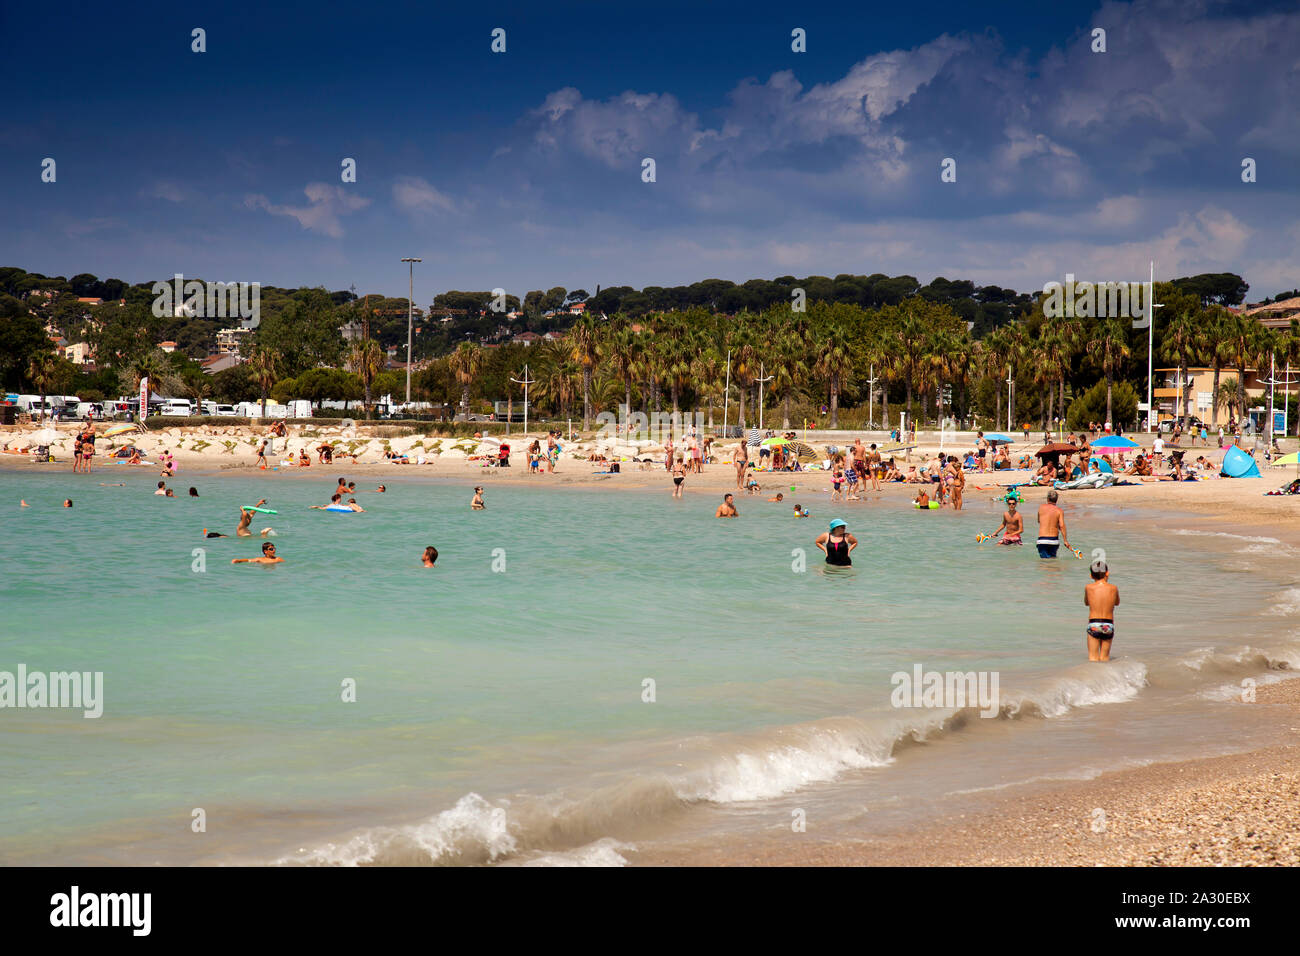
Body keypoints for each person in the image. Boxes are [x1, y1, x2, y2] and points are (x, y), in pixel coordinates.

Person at [1084, 559, 1119, 662]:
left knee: (1093, 659)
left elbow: (1087, 603)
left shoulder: (1089, 587)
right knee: (1105, 659)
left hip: (1094, 624)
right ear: (1107, 573)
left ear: (1091, 575)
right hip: (1108, 625)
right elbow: (1117, 602)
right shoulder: (1114, 588)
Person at [1036, 488, 1072, 559]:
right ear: (1056, 499)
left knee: (1044, 564)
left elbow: (1039, 521)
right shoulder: (1059, 511)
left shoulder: (1041, 507)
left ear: (1047, 499)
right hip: (1054, 540)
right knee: (1052, 562)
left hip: (1042, 540)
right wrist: (1065, 541)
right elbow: (1061, 526)